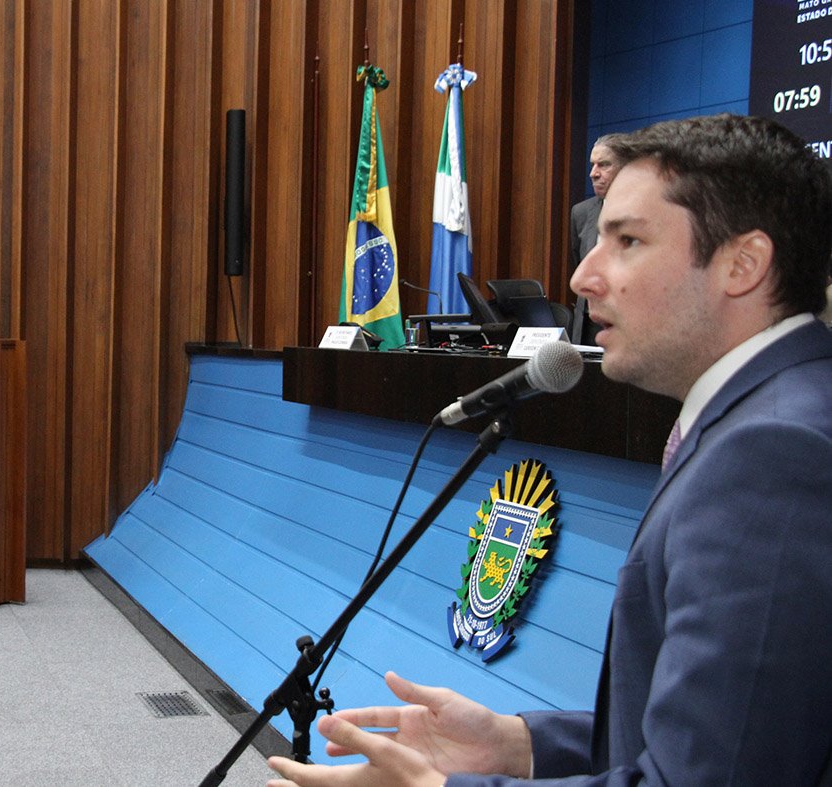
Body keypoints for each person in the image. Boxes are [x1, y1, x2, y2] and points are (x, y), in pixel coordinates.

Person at [268, 113, 832, 785]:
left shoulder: (774, 453)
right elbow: (731, 730)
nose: (581, 276)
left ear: (742, 264)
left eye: (627, 241)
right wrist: (517, 745)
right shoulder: (764, 415)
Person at [568, 135, 624, 344]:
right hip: (588, 325)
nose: (593, 173)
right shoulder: (581, 213)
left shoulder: (646, 212)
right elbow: (580, 263)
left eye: (604, 165)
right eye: (592, 165)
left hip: (627, 321)